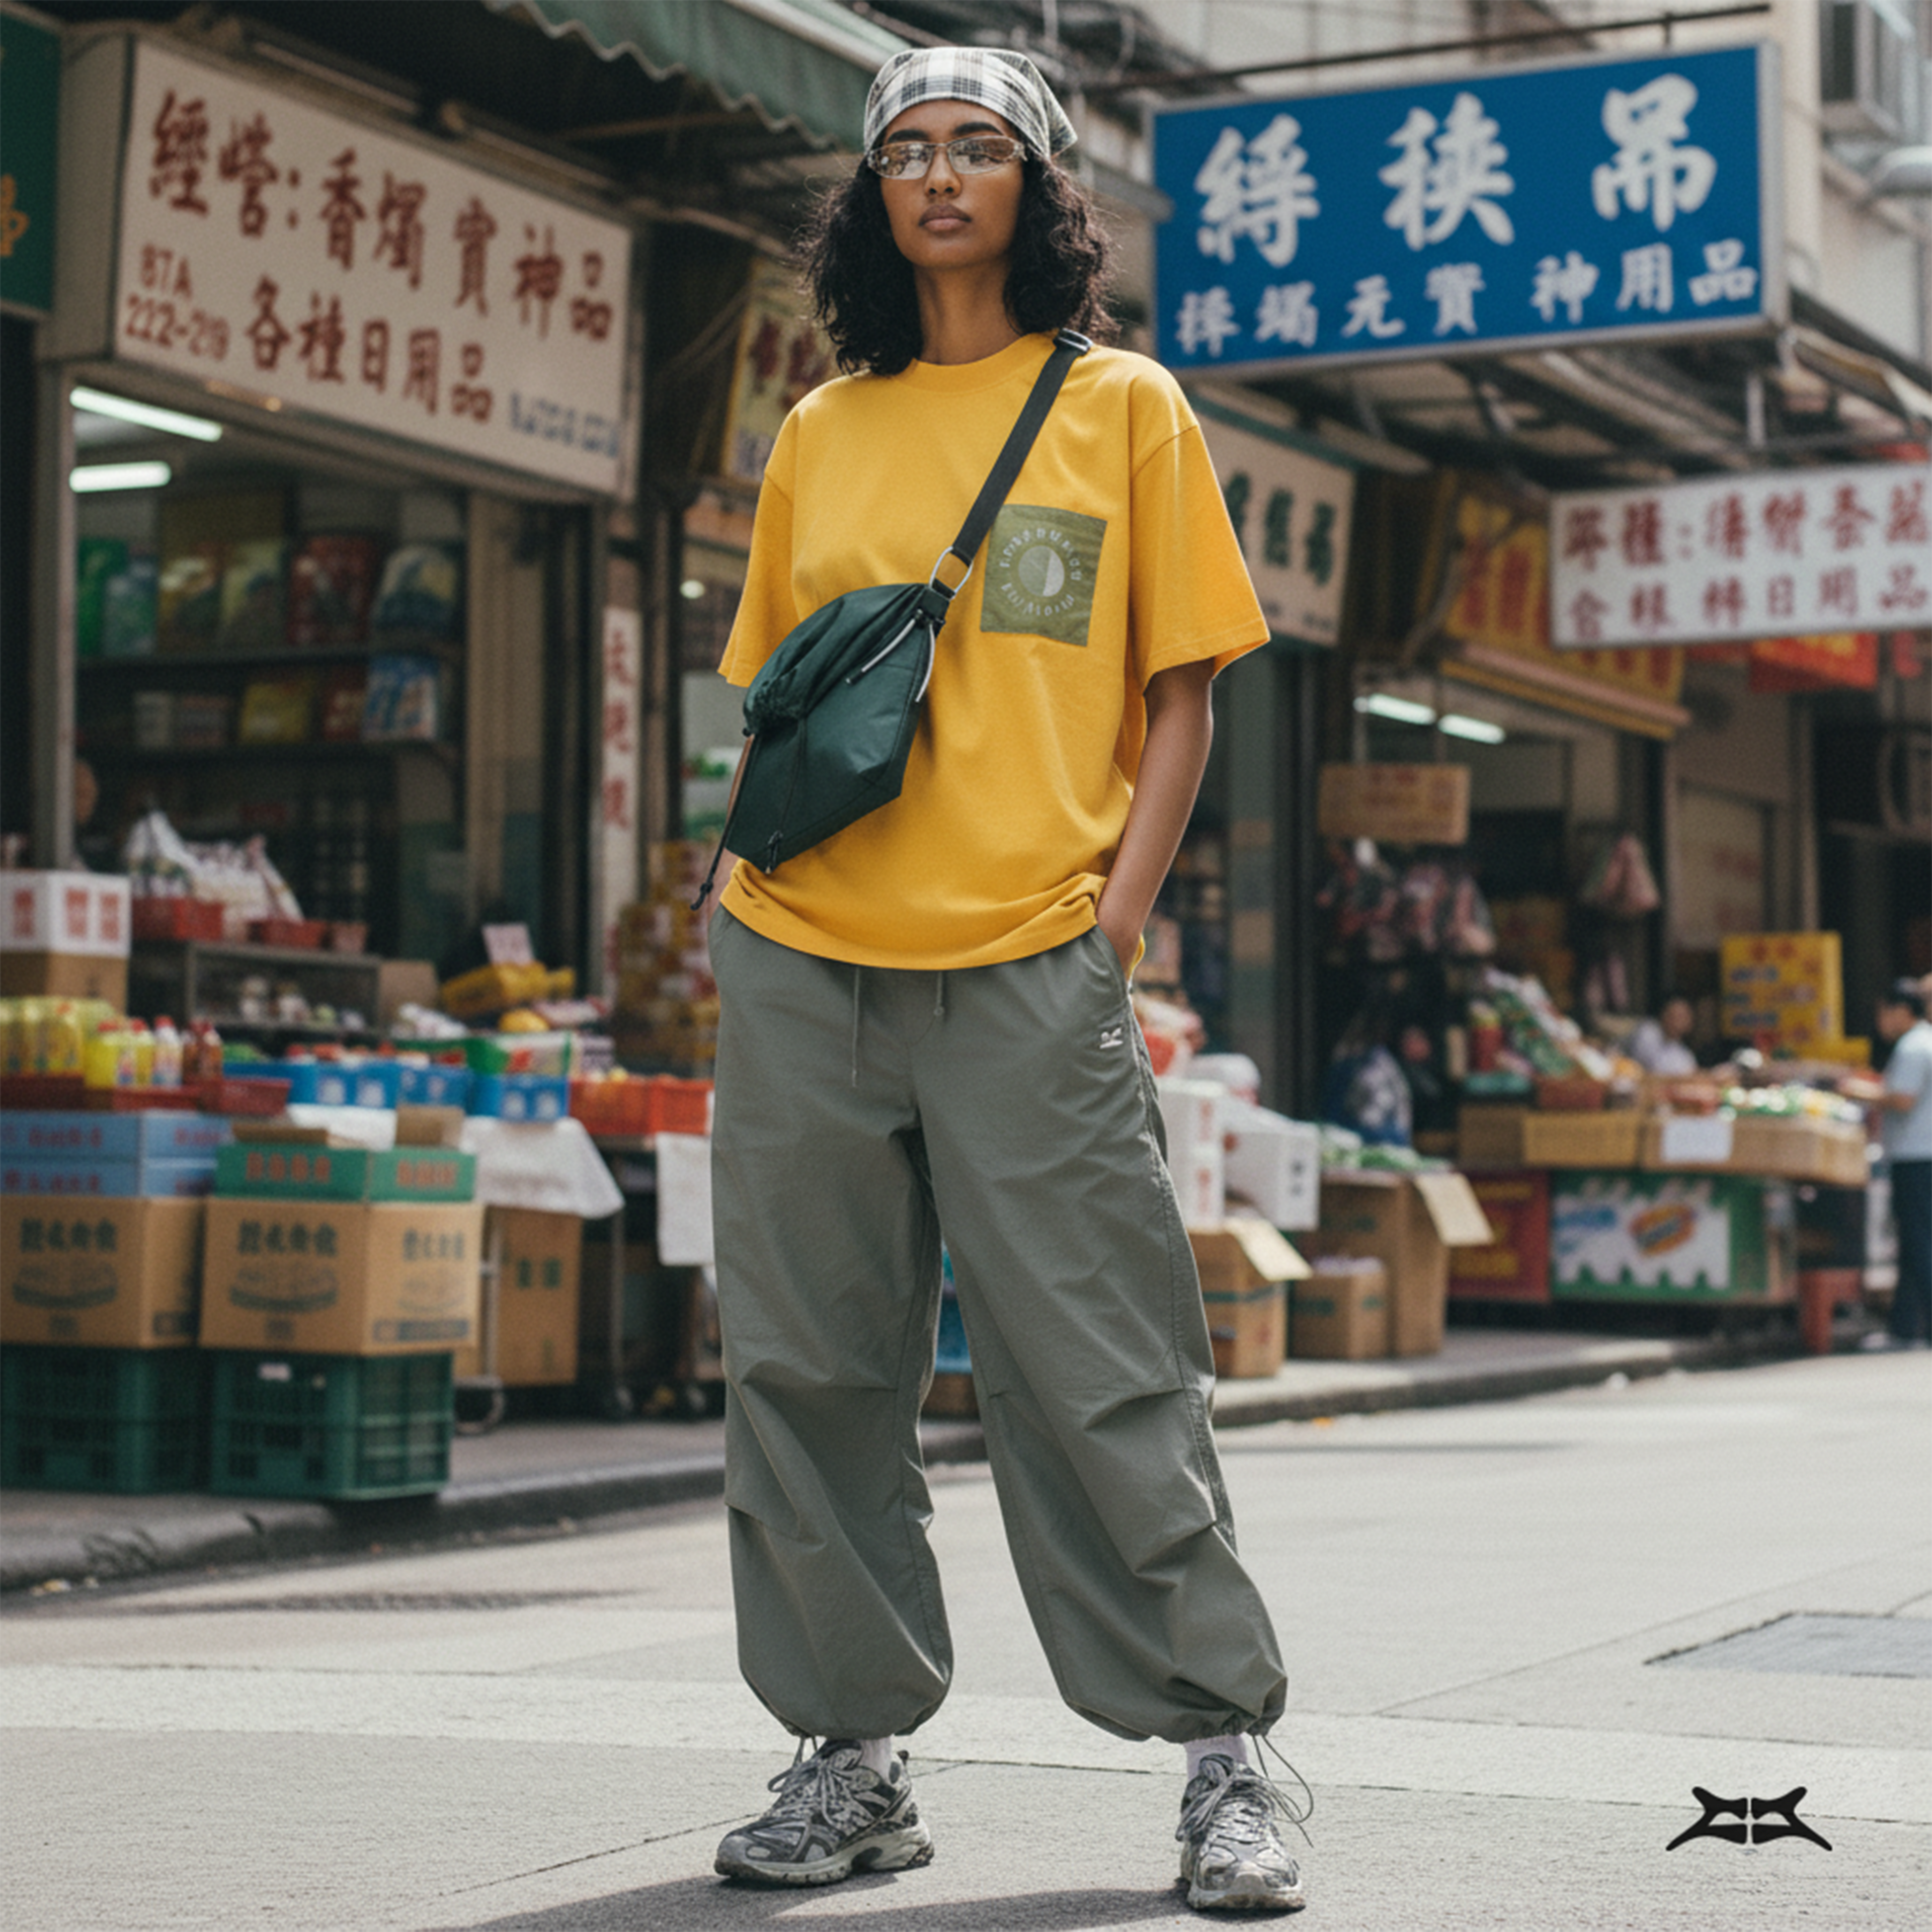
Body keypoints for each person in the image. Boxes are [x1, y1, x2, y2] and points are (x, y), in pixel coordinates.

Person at [703, 45, 1304, 1915]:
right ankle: (850, 1754)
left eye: (978, 150)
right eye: (908, 152)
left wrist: (1108, 928)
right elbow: (784, 699)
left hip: (1031, 962)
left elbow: (1178, 693)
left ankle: (1228, 1752)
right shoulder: (825, 430)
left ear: (1040, 189)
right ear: (871, 199)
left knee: (1104, 1365)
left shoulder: (1124, 409)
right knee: (807, 1368)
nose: (941, 178)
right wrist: (727, 906)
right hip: (804, 953)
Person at [1857, 978, 1932, 1350]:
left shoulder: (1915, 1046)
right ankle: (1905, 1328)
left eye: (1883, 1012)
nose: (1881, 1021)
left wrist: (1856, 1089)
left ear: (1902, 1010)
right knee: (1913, 1241)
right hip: (1919, 1155)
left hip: (1917, 1157)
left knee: (1919, 1242)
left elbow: (1902, 1099)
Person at [1627, 995, 1698, 1078]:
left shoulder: (1683, 1053)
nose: (1677, 1021)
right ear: (1664, 1014)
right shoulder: (1647, 1031)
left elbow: (1690, 1073)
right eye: (1674, 1015)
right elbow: (1654, 1067)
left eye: (1683, 1017)